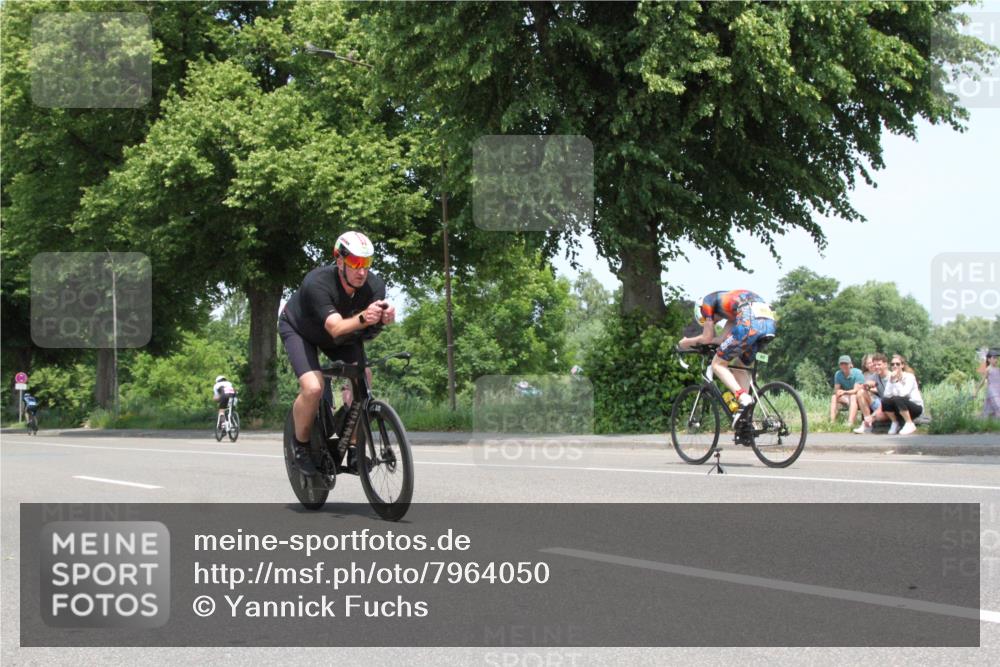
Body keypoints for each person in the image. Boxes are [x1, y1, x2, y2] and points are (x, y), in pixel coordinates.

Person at [279, 231, 395, 473]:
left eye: (366, 263)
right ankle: (299, 446)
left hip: (341, 335)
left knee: (365, 377)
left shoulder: (374, 287)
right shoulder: (317, 282)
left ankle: (353, 447)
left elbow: (364, 332)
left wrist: (382, 321)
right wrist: (364, 317)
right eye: (355, 263)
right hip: (301, 330)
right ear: (340, 261)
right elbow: (335, 327)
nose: (362, 271)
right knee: (313, 387)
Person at [678, 289, 777, 421]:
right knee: (739, 365)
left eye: (704, 319)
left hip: (749, 320)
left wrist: (686, 343)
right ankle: (745, 417)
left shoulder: (707, 302)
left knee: (717, 364)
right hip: (769, 323)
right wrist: (708, 343)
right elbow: (721, 340)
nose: (712, 322)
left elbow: (707, 338)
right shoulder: (731, 310)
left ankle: (742, 397)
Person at [882, 354, 924, 435]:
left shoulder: (909, 377)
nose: (895, 366)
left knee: (898, 398)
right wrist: (891, 381)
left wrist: (896, 381)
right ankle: (895, 423)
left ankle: (909, 423)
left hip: (915, 407)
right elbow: (886, 395)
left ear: (902, 365)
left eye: (897, 364)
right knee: (885, 401)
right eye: (892, 364)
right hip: (900, 407)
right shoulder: (891, 377)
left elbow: (903, 394)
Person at [854, 352, 890, 433]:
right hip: (881, 403)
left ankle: (867, 422)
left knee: (881, 413)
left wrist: (874, 415)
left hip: (890, 407)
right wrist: (866, 386)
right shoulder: (875, 376)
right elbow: (867, 384)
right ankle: (868, 423)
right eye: (875, 365)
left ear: (885, 365)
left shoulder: (891, 378)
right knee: (860, 393)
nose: (876, 367)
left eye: (879, 365)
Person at [830, 355, 864, 426]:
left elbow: (855, 390)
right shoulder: (838, 374)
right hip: (846, 396)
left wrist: (845, 392)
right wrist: (838, 393)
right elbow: (836, 389)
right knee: (834, 397)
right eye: (842, 364)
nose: (844, 366)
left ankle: (850, 422)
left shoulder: (858, 373)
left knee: (853, 396)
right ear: (839, 365)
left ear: (850, 364)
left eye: (846, 364)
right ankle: (832, 421)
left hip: (858, 397)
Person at [977, 348, 1000, 419]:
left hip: (998, 391)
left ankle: (993, 425)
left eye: (997, 358)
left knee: (990, 411)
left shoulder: (998, 369)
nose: (996, 360)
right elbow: (982, 381)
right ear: (989, 359)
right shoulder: (988, 369)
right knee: (998, 407)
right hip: (992, 392)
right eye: (994, 358)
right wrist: (976, 391)